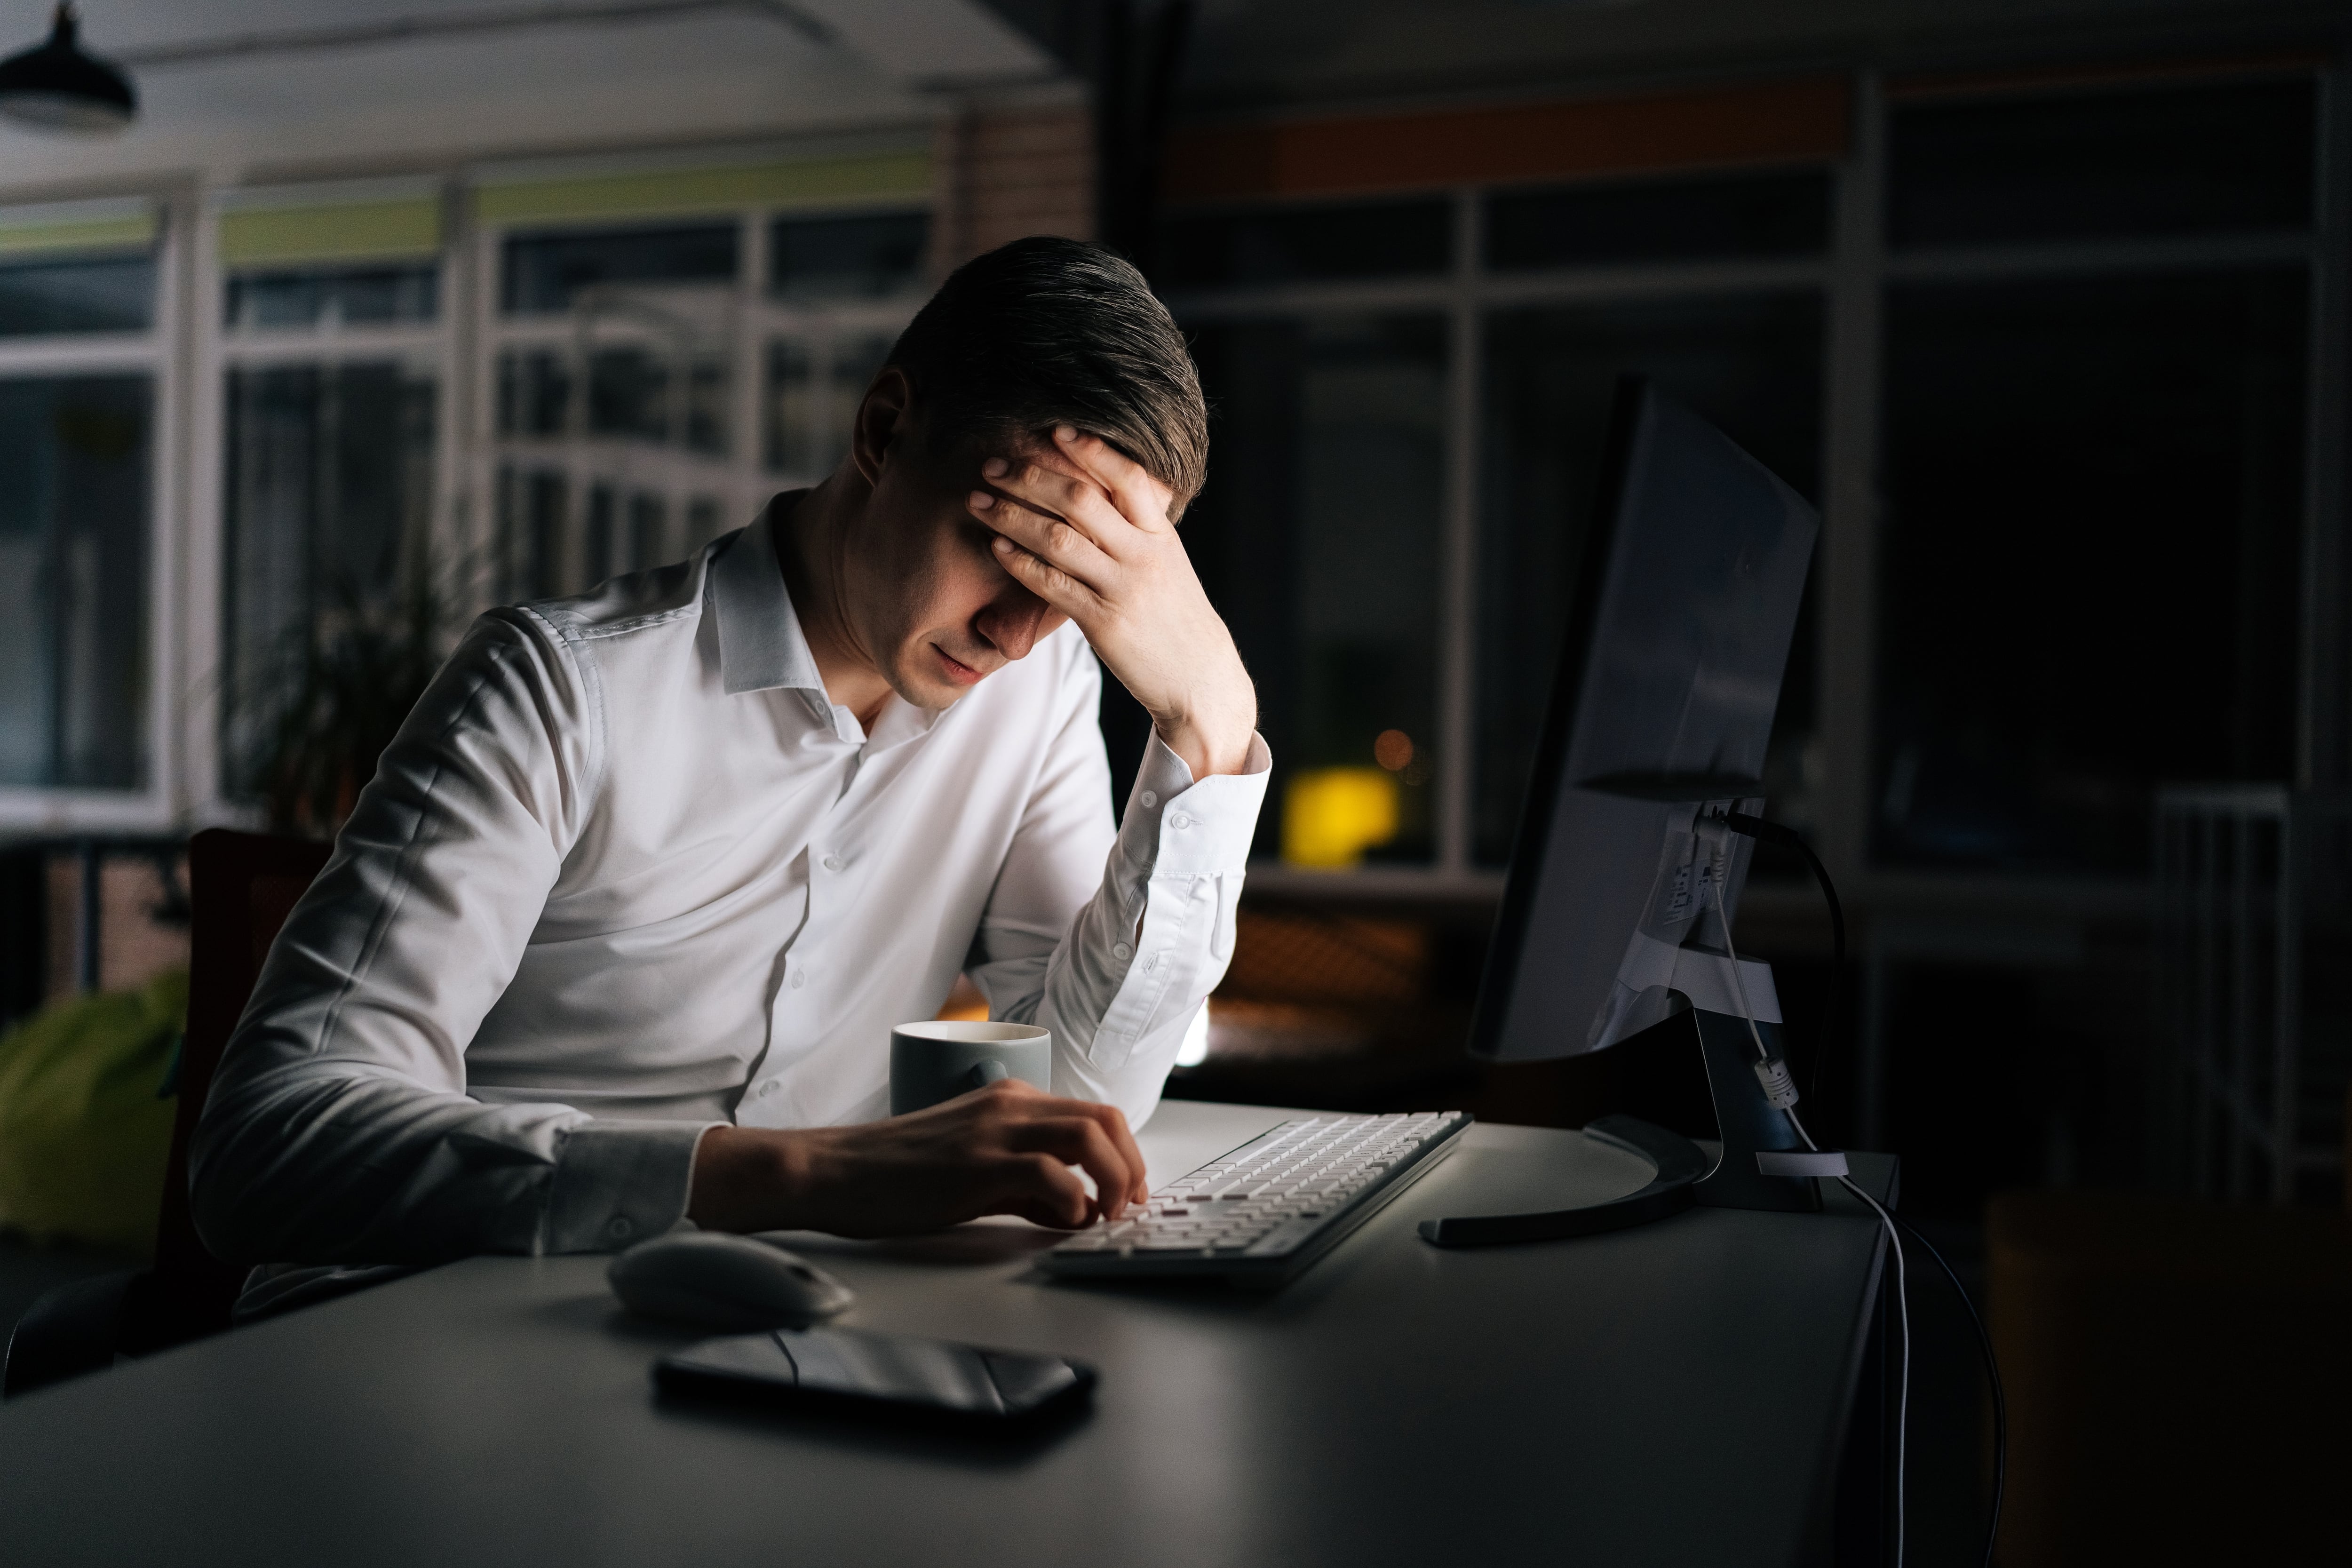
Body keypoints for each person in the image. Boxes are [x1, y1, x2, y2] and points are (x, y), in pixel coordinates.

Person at [190, 238, 1267, 1279]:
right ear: (886, 430)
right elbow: (266, 1147)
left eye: (1085, 583)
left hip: (781, 1329)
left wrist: (1210, 716)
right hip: (433, 1314)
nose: (1019, 633)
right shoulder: (560, 687)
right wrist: (801, 1173)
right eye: (1014, 543)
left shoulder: (1034, 695)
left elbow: (1084, 1101)